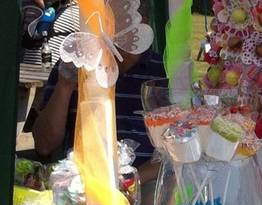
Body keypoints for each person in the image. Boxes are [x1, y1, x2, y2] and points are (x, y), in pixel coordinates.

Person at [33, 48, 166, 169]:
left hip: (148, 182)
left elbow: (174, 150)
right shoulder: (74, 64)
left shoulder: (163, 69)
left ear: (145, 21)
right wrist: (65, 85)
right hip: (80, 180)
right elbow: (44, 145)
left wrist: (130, 182)